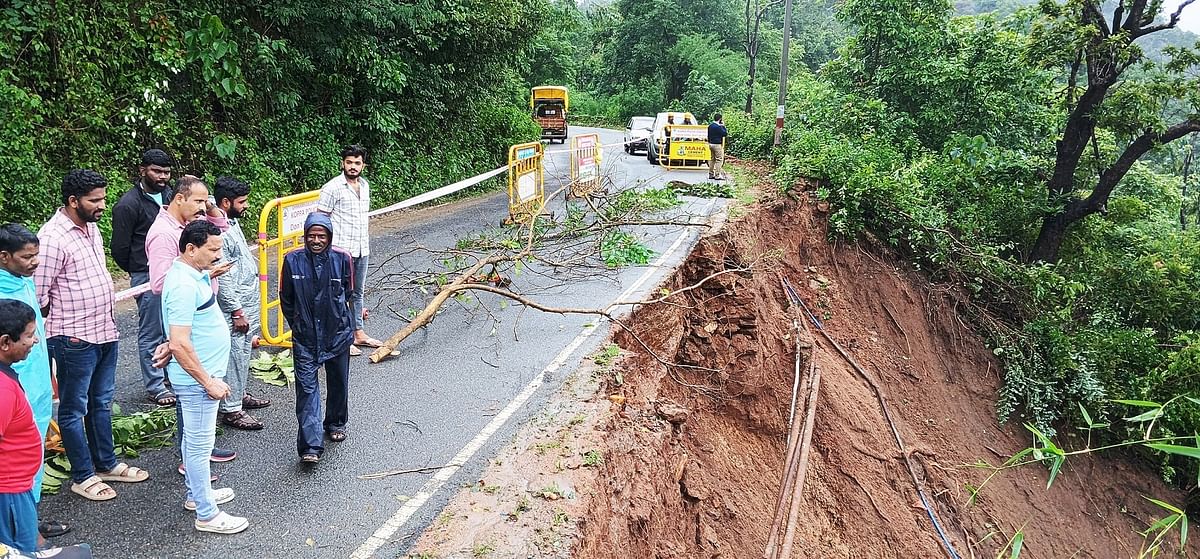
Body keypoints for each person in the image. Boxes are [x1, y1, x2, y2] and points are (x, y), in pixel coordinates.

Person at [36, 170, 150, 502]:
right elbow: (39, 294)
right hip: (72, 338)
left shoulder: (92, 227)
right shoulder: (52, 238)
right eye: (94, 200)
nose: (102, 205)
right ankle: (82, 475)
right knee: (73, 408)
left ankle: (106, 463)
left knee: (101, 403)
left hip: (103, 330)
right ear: (73, 201)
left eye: (102, 197)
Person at [161, 220, 249, 534]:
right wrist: (207, 381)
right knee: (199, 447)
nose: (217, 254)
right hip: (198, 382)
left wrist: (209, 272)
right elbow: (181, 341)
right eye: (212, 250)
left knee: (194, 442)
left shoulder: (192, 273)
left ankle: (196, 496)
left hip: (201, 376)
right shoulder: (183, 285)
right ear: (190, 248)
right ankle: (207, 514)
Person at [145, 175, 238, 467]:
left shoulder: (188, 226)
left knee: (199, 401)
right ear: (179, 198)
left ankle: (201, 447)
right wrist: (205, 273)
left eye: (206, 200)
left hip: (198, 311)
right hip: (185, 317)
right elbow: (161, 283)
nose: (204, 205)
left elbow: (218, 232)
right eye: (199, 200)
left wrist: (210, 210)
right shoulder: (163, 234)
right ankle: (193, 458)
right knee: (193, 390)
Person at [0, 224, 69, 539]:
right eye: (27, 257)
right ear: (4, 257)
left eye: (36, 255)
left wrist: (48, 375)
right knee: (14, 458)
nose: (35, 263)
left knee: (33, 451)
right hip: (14, 390)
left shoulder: (21, 280)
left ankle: (29, 516)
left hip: (37, 383)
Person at [280, 213, 354, 463]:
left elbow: (349, 293)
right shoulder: (292, 260)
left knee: (338, 383)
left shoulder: (342, 259)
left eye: (321, 236)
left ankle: (335, 423)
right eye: (311, 235)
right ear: (305, 236)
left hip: (338, 334)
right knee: (307, 390)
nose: (316, 240)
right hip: (305, 338)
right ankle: (310, 446)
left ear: (329, 237)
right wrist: (299, 324)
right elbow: (286, 299)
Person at [110, 149, 175, 406]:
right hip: (146, 275)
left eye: (166, 172)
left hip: (174, 270)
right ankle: (155, 386)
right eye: (156, 171)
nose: (162, 177)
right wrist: (138, 269)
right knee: (151, 331)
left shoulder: (171, 195)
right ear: (142, 170)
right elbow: (119, 249)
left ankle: (171, 376)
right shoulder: (128, 205)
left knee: (172, 326)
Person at [213, 177, 270, 431]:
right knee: (234, 353)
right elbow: (222, 274)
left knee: (244, 352)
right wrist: (236, 310)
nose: (246, 205)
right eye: (242, 201)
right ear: (225, 202)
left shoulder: (231, 221)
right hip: (235, 305)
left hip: (247, 299)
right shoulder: (218, 233)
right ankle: (231, 409)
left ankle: (238, 393)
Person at [317, 144, 382, 356]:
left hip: (362, 248)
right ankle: (341, 338)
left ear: (363, 165)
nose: (353, 167)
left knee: (357, 293)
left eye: (357, 163)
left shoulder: (365, 186)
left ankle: (358, 333)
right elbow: (320, 220)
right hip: (340, 251)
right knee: (338, 295)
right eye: (349, 162)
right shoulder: (332, 187)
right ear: (342, 163)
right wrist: (324, 251)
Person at [707, 113, 729, 181]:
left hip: (710, 144)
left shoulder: (710, 126)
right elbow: (725, 133)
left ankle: (711, 174)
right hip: (717, 145)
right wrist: (723, 126)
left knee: (712, 159)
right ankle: (717, 175)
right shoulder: (718, 127)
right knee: (719, 159)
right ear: (720, 119)